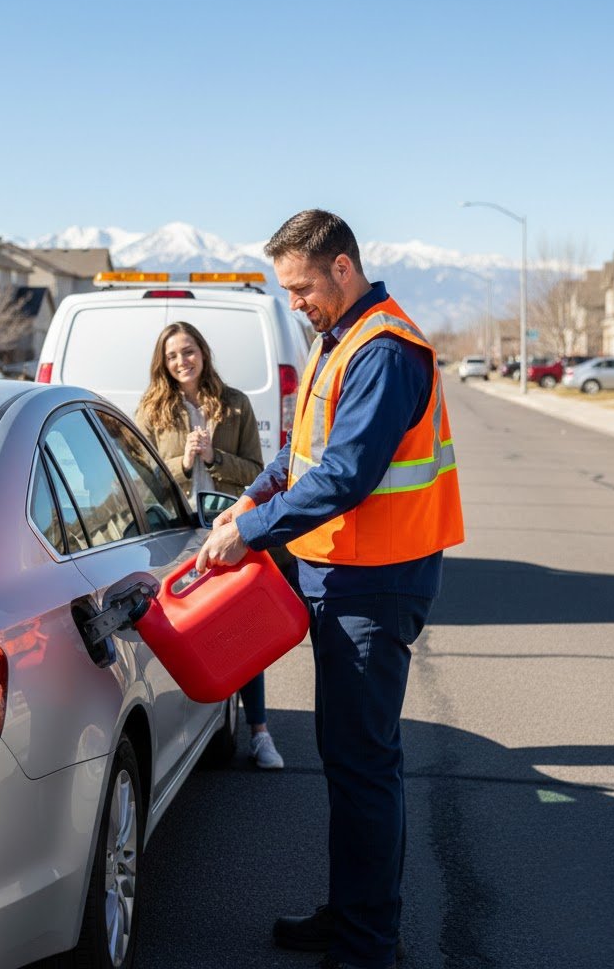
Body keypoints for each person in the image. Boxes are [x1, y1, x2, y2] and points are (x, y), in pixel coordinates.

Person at [196, 210, 464, 969]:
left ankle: (368, 940)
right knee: (351, 762)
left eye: (302, 287)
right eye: (285, 290)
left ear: (342, 268)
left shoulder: (383, 350)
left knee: (363, 764)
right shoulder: (338, 340)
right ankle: (352, 916)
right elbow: (301, 453)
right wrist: (252, 501)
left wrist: (251, 532)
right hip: (342, 577)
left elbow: (347, 476)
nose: (295, 303)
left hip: (375, 585)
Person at [134, 320, 285, 771]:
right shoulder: (153, 409)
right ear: (163, 363)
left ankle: (259, 732)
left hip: (227, 531)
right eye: (173, 355)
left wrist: (215, 459)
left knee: (243, 628)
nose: (183, 361)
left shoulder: (235, 405)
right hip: (177, 536)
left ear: (204, 352)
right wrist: (182, 463)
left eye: (189, 351)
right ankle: (186, 729)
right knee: (186, 631)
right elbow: (142, 479)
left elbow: (259, 472)